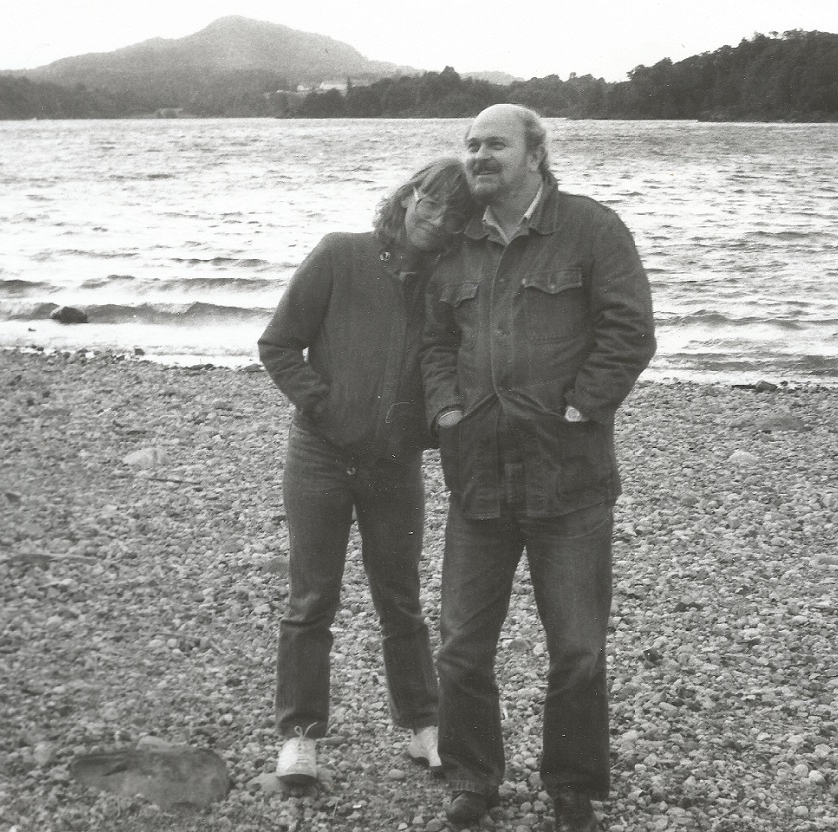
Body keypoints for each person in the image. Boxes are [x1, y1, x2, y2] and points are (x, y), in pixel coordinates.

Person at [421, 105, 656, 831]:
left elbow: (630, 328)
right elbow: (434, 343)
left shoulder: (591, 228)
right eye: (471, 145)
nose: (479, 155)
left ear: (535, 152)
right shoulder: (455, 247)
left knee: (578, 649)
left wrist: (585, 406)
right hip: (478, 476)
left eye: (495, 144)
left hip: (570, 478)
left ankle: (573, 787)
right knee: (462, 646)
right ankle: (472, 779)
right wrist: (446, 412)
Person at [258, 158, 472, 787]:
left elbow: (449, 365)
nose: (435, 221)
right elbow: (278, 344)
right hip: (319, 457)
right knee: (311, 599)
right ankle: (298, 738)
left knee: (400, 599)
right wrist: (321, 403)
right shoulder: (339, 255)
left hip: (395, 465)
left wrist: (432, 429)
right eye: (428, 203)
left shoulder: (448, 280)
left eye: (452, 215)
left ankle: (424, 726)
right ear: (406, 198)